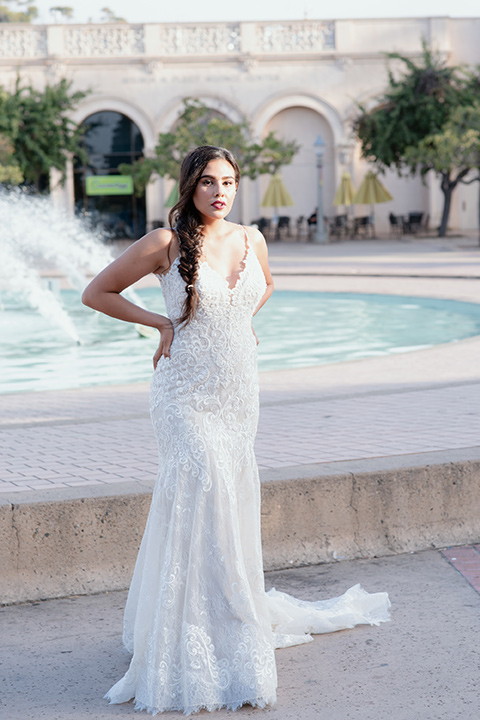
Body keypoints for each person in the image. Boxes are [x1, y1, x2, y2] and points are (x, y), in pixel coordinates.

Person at [82, 145, 390, 715]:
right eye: (207, 182)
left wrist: (238, 325)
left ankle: (228, 623)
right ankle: (186, 635)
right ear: (189, 187)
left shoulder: (253, 240)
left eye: (228, 181)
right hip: (184, 396)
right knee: (204, 490)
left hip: (237, 395)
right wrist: (160, 324)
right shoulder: (164, 243)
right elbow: (96, 292)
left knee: (228, 503)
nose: (220, 191)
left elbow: (265, 285)